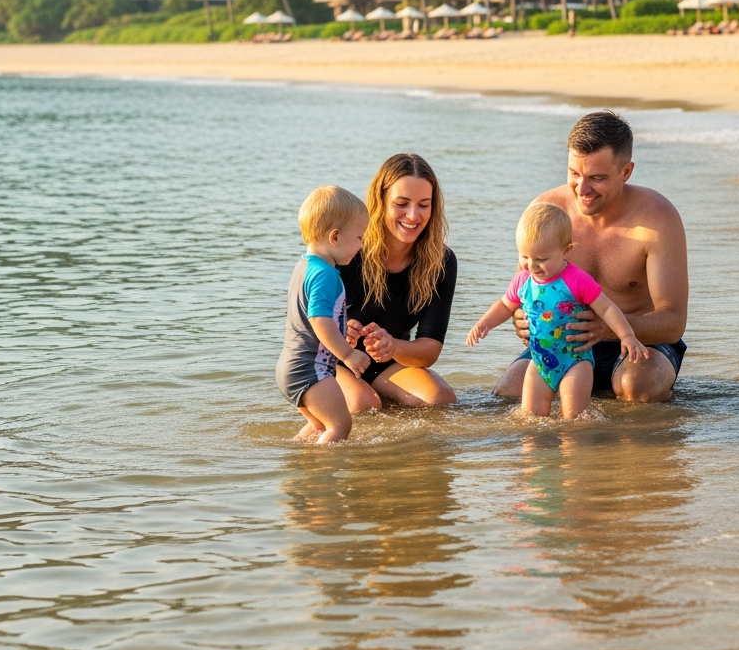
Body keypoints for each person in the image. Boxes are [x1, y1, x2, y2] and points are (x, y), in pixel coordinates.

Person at [493, 110, 688, 404]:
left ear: (626, 171)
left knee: (639, 389)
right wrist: (519, 318)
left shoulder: (657, 219)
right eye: (574, 174)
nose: (582, 189)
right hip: (563, 341)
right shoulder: (546, 210)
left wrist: (608, 327)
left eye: (597, 178)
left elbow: (673, 323)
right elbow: (522, 290)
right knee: (508, 393)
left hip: (640, 342)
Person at [468, 202, 648, 418]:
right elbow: (505, 305)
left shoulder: (577, 280)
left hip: (575, 361)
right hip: (539, 362)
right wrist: (484, 323)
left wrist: (627, 336)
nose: (531, 266)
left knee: (574, 419)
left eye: (541, 259)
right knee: (531, 418)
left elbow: (608, 308)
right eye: (524, 257)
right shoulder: (524, 281)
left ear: (566, 251)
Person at [337, 153, 458, 412]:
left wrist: (392, 346)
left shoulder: (442, 261)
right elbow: (306, 324)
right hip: (332, 360)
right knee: (363, 404)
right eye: (402, 203)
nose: (413, 216)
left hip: (386, 365)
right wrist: (339, 331)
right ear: (380, 202)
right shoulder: (347, 251)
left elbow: (430, 349)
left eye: (423, 205)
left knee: (440, 398)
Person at [275, 185, 372, 444]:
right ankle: (324, 467)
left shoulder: (305, 266)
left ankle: (299, 456)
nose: (361, 245)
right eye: (359, 237)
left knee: (319, 425)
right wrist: (348, 354)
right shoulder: (325, 274)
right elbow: (318, 319)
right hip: (310, 368)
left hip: (291, 367)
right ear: (335, 237)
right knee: (340, 425)